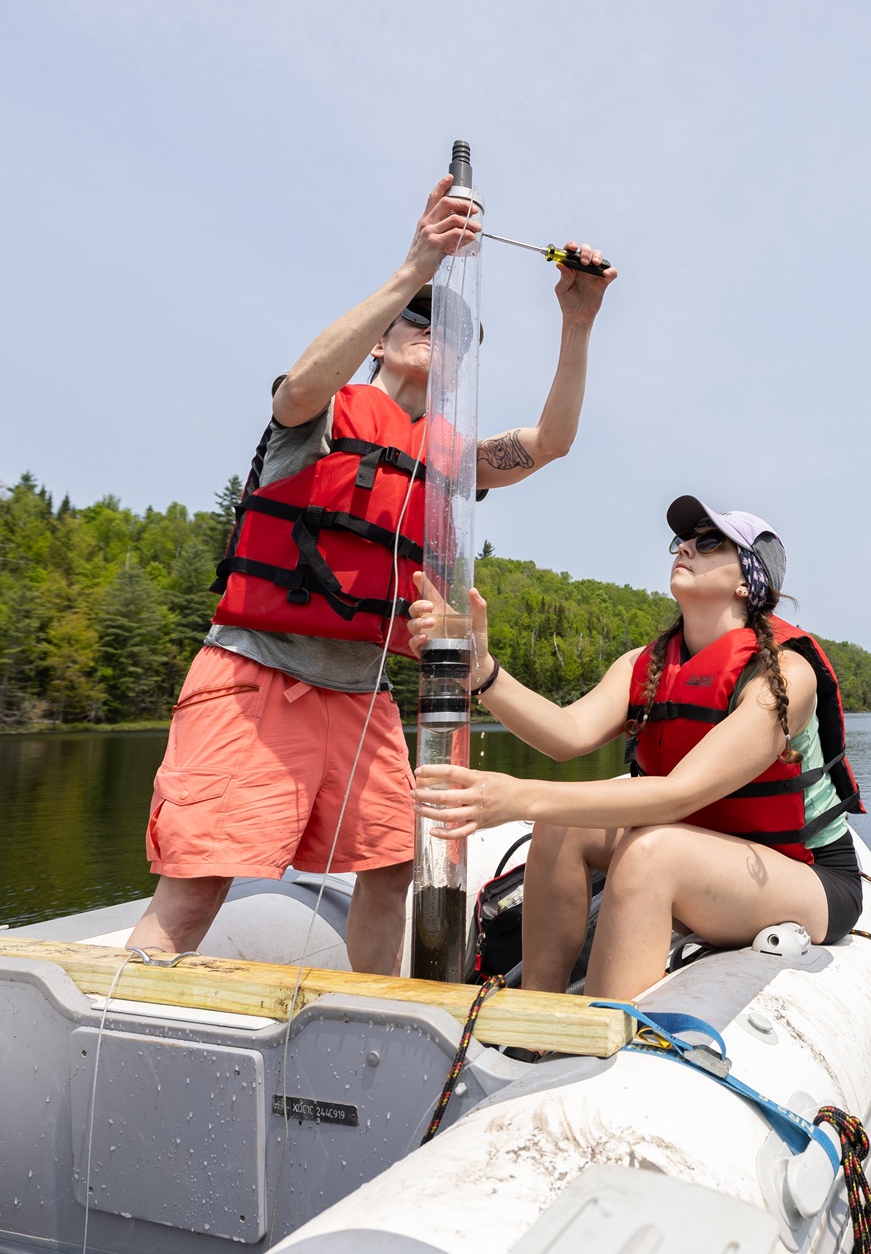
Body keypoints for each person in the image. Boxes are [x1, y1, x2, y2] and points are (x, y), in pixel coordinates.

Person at [125, 174, 616, 974]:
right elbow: (300, 383)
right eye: (416, 322)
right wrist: (417, 267)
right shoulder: (319, 416)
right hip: (256, 678)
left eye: (452, 335)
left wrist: (578, 321)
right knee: (194, 889)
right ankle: (130, 1022)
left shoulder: (452, 459)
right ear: (382, 338)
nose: (434, 333)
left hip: (363, 697)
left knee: (393, 872)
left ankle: (377, 1031)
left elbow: (550, 440)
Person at [409, 496, 865, 1000]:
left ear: (748, 581)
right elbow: (566, 735)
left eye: (709, 542)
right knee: (562, 825)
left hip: (806, 873)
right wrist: (484, 673)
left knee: (651, 854)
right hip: (697, 846)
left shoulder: (784, 676)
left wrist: (515, 797)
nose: (686, 549)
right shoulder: (644, 666)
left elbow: (679, 795)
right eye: (682, 542)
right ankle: (536, 1018)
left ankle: (599, 1038)